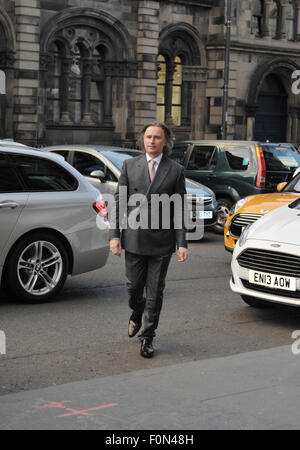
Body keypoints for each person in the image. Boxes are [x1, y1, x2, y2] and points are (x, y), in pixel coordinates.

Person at [109, 121, 188, 358]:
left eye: (157, 137)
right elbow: (119, 201)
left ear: (165, 141)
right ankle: (137, 310)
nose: (152, 141)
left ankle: (147, 337)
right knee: (134, 288)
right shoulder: (129, 166)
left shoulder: (175, 170)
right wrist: (114, 235)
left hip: (162, 243)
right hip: (134, 238)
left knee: (155, 291)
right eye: (149, 137)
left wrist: (182, 242)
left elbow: (180, 209)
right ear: (143, 139)